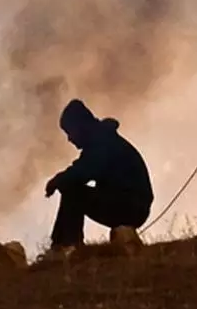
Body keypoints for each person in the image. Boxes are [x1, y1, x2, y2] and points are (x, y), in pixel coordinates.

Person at [42, 98, 154, 251]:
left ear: (80, 125)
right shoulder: (103, 139)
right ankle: (62, 245)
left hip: (131, 205)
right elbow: (83, 169)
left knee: (72, 190)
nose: (70, 139)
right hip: (132, 204)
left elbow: (82, 172)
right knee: (71, 187)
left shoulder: (102, 141)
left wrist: (58, 180)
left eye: (70, 132)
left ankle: (66, 246)